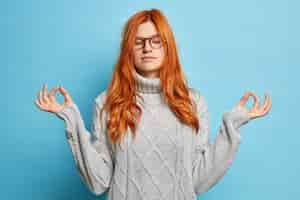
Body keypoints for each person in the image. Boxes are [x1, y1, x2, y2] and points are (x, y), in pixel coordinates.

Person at [34, 8, 272, 200]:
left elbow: (199, 181)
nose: (147, 47)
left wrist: (231, 126)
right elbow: (99, 183)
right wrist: (73, 122)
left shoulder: (192, 102)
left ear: (168, 47)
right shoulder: (106, 103)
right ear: (129, 50)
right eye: (139, 42)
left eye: (156, 41)